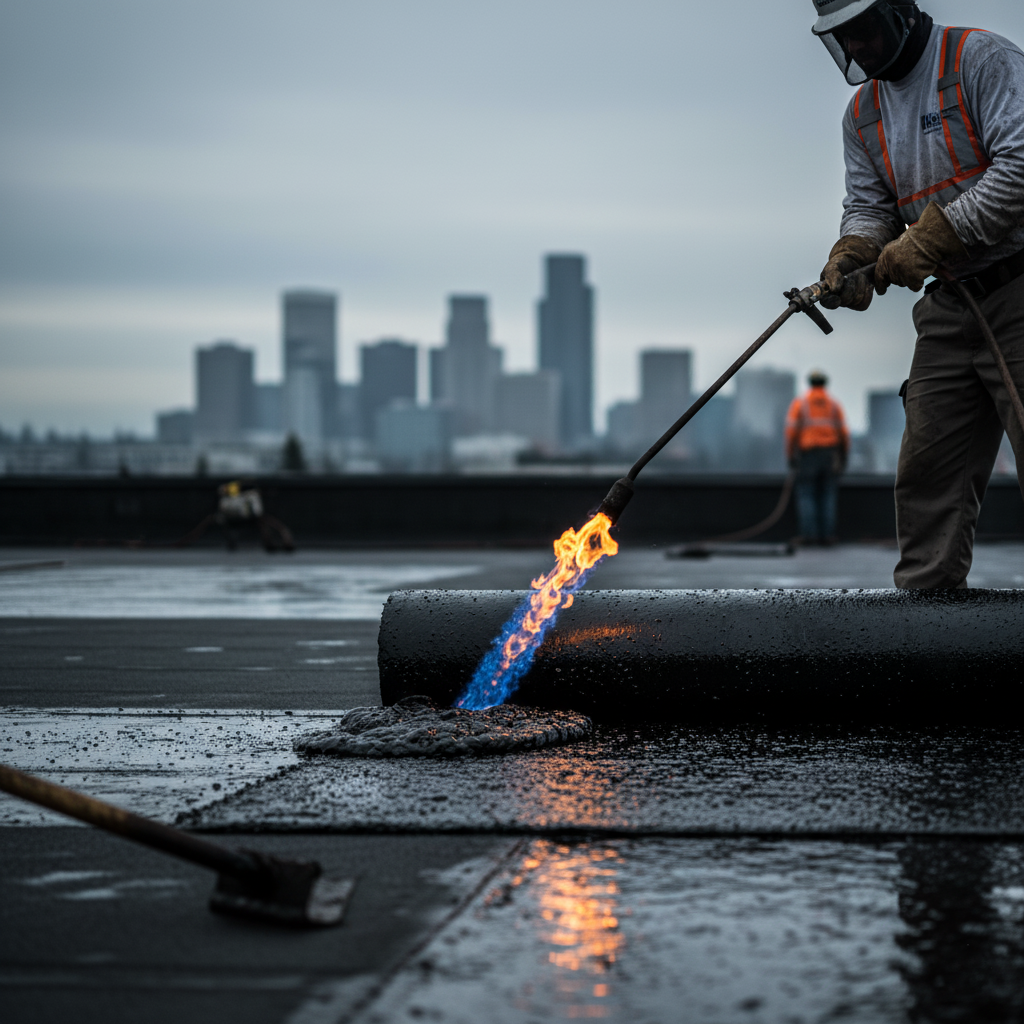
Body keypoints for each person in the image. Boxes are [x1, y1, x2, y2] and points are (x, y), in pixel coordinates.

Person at [810, 1, 1024, 586]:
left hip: (1018, 288)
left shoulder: (978, 59)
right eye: (844, 39)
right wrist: (851, 256)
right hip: (952, 305)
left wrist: (933, 236)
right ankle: (928, 623)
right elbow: (870, 208)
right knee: (929, 470)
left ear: (900, 10)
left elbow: (1020, 165)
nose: (857, 48)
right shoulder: (863, 115)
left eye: (864, 31)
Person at [785, 371, 851, 545]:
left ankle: (809, 536)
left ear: (810, 383)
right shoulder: (834, 405)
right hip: (830, 455)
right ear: (824, 383)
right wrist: (843, 456)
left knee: (807, 494)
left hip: (808, 455)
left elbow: (791, 433)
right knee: (827, 494)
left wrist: (791, 455)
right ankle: (827, 536)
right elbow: (844, 433)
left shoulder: (801, 404)